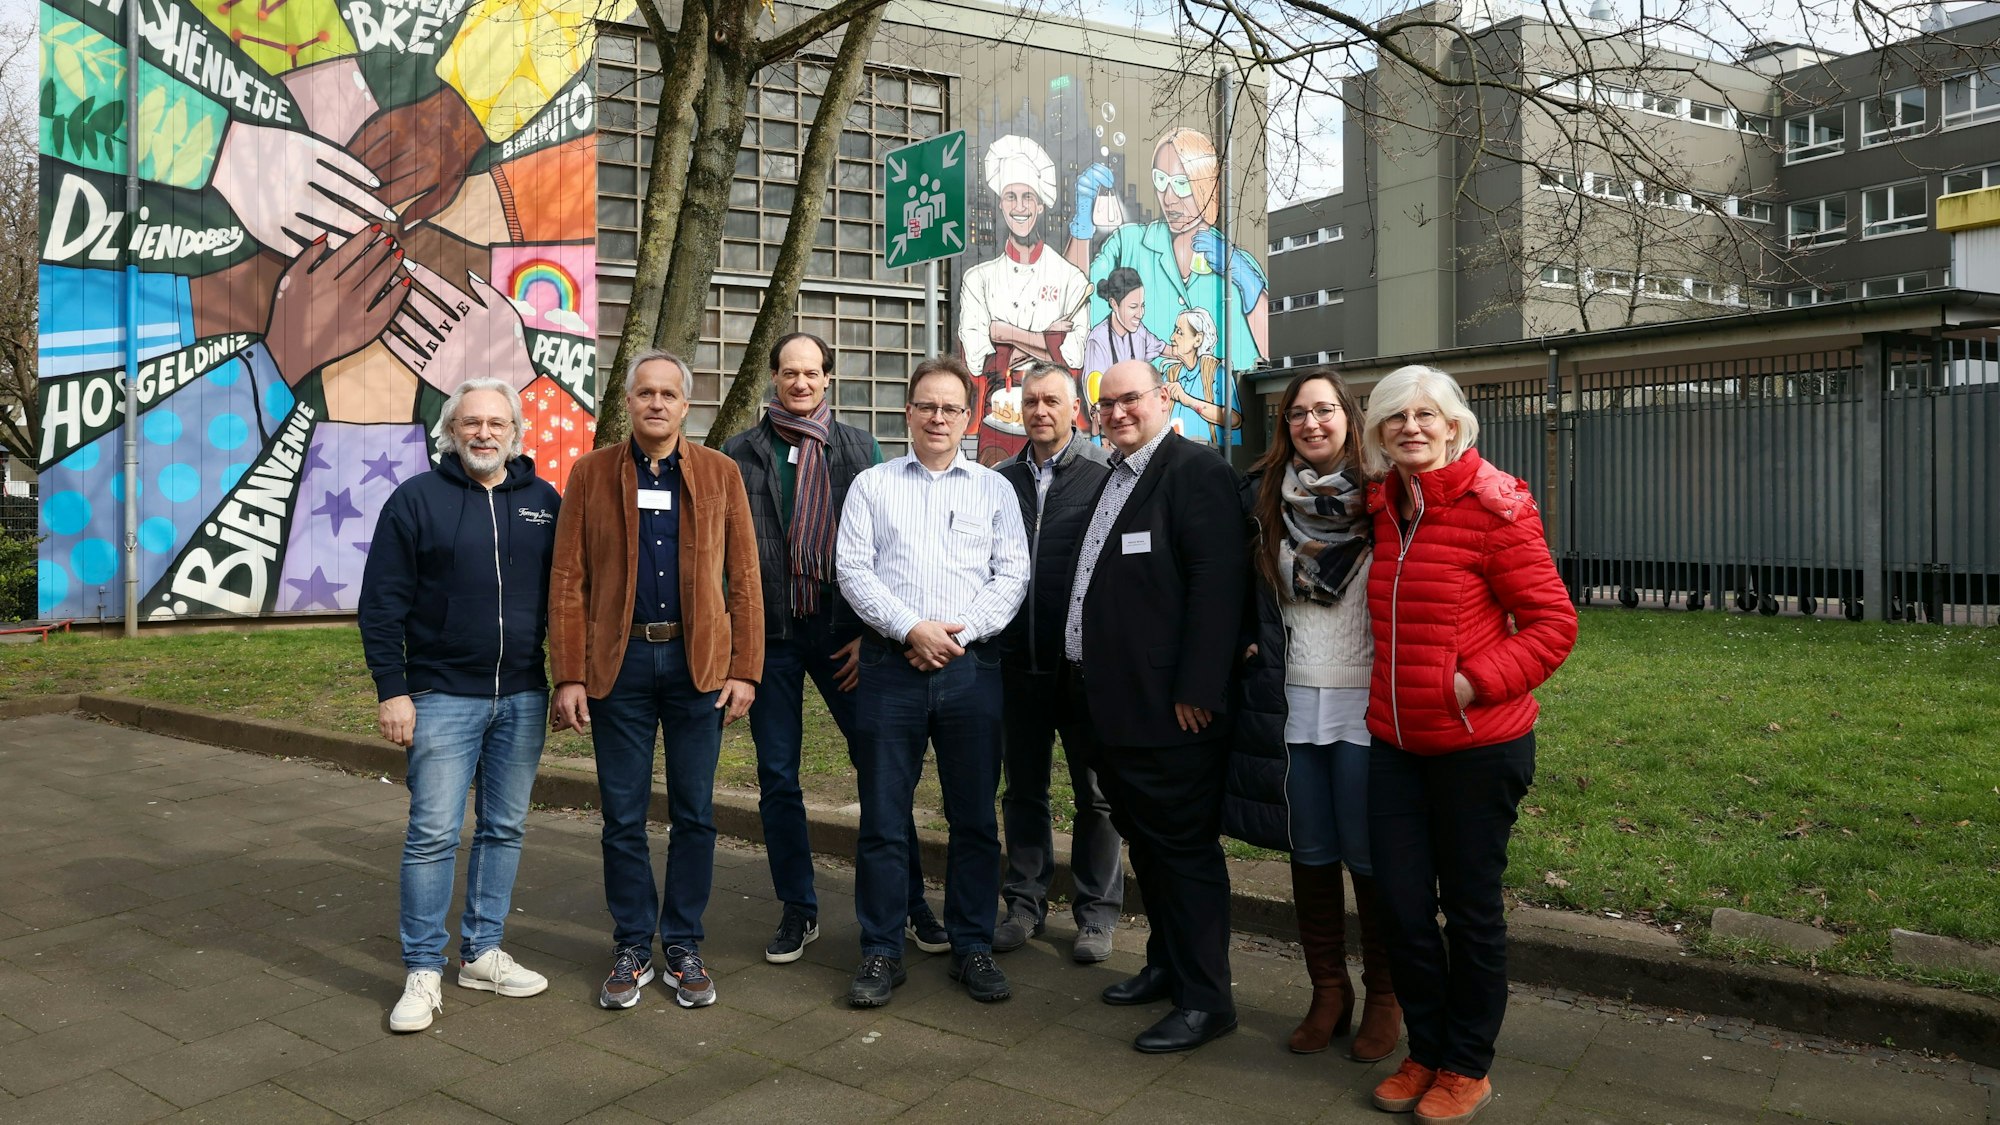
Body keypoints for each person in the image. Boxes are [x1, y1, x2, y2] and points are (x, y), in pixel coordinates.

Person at [1359, 365, 1577, 1125]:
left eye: (1426, 415)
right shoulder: (1387, 505)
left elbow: (1554, 624)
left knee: (1471, 910)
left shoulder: (1496, 508)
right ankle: (1426, 1047)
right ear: (1379, 434)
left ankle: (1467, 1064)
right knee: (1402, 906)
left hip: (1476, 746)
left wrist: (1472, 682)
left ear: (1455, 425)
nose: (1411, 427)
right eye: (1395, 418)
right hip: (1394, 745)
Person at [721, 333, 948, 965]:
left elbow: (879, 547)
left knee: (882, 771)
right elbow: (728, 553)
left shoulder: (859, 449)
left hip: (846, 635)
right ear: (774, 378)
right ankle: (799, 907)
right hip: (770, 637)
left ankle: (909, 902)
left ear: (828, 380)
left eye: (811, 373)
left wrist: (867, 633)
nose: (799, 383)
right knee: (777, 776)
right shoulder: (741, 452)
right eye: (788, 373)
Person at [547, 349, 764, 1012]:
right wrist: (570, 675)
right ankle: (632, 945)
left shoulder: (721, 473)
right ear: (630, 402)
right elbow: (568, 580)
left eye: (669, 393)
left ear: (685, 404)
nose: (657, 403)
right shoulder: (589, 474)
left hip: (698, 666)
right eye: (646, 392)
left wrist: (746, 669)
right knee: (622, 814)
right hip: (622, 666)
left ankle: (684, 942)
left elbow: (746, 578)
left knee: (696, 813)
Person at [359, 378, 562, 1034]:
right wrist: (393, 689)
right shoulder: (415, 500)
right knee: (433, 835)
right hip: (440, 695)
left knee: (504, 828)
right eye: (470, 422)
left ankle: (481, 951)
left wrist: (571, 678)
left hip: (524, 695)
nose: (483, 432)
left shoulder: (545, 503)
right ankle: (423, 966)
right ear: (449, 432)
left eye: (495, 422)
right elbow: (381, 602)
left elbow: (571, 599)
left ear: (516, 431)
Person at [835, 356, 1030, 1008]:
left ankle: (972, 946)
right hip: (891, 669)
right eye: (927, 405)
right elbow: (854, 571)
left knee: (974, 818)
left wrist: (955, 633)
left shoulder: (993, 490)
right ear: (908, 412)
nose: (938, 416)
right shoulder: (872, 485)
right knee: (884, 820)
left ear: (968, 417)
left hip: (970, 672)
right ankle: (881, 951)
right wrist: (911, 626)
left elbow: (1012, 575)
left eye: (951, 407)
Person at [1067, 358, 1248, 1054]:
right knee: (1149, 847)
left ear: (1163, 397)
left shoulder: (1194, 471)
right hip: (1114, 708)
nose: (1116, 412)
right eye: (1105, 403)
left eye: (1129, 399)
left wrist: (1200, 688)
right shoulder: (1116, 474)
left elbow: (1216, 585)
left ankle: (1208, 999)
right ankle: (1168, 965)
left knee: (1185, 851)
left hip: (1172, 713)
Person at [1222, 370, 1401, 1064]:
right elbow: (1239, 591)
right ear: (1285, 424)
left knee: (1370, 852)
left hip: (1366, 697)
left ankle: (1384, 992)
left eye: (1324, 410)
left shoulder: (1387, 495)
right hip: (1291, 698)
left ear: (1348, 418)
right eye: (1298, 413)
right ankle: (1328, 988)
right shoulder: (1262, 498)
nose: (1311, 422)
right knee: (1311, 848)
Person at [991, 362, 1123, 961]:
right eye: (1031, 401)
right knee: (1023, 789)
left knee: (1096, 795)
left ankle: (1096, 915)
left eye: (1052, 401)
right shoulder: (999, 480)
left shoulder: (1103, 478)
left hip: (1085, 669)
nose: (1040, 411)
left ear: (1076, 409)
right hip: (1017, 663)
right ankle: (1024, 903)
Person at [1065, 129, 1270, 381]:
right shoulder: (1128, 243)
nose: (1169, 198)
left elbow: (1268, 355)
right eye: (1161, 181)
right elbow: (1073, 298)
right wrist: (1081, 229)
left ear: (1206, 185)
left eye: (1182, 184)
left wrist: (1249, 286)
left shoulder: (1238, 264)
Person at [960, 135, 1093, 464]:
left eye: (1027, 197)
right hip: (997, 418)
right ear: (1001, 203)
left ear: (1040, 204)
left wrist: (1006, 334)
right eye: (1011, 197)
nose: (1019, 207)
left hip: (1057, 419)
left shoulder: (1071, 279)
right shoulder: (977, 278)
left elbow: (1074, 357)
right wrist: (1049, 340)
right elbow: (976, 358)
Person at [1081, 268, 1163, 409]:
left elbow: (1163, 349)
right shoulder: (1098, 339)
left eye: (1142, 306)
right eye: (1133, 307)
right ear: (1114, 304)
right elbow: (1095, 395)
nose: (1140, 314)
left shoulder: (1139, 331)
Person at [1160, 307, 1241, 446]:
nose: (1172, 337)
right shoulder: (1170, 374)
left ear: (1198, 339)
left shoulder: (1216, 372)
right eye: (1175, 330)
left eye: (1179, 332)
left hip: (1206, 456)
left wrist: (1186, 399)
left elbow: (1234, 419)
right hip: (1172, 456)